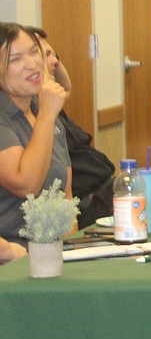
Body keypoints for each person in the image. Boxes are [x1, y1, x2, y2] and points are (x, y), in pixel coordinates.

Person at [29, 28, 115, 228]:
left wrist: (50, 58)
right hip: (88, 202)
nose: (56, 61)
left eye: (55, 54)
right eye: (47, 55)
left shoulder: (52, 102)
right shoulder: (38, 111)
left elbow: (66, 87)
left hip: (104, 189)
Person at [0, 23, 72, 264]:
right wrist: (47, 116)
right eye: (15, 59)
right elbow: (26, 184)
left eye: (33, 52)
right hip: (13, 254)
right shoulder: (43, 113)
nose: (32, 64)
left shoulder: (41, 109)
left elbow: (66, 194)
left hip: (53, 251)